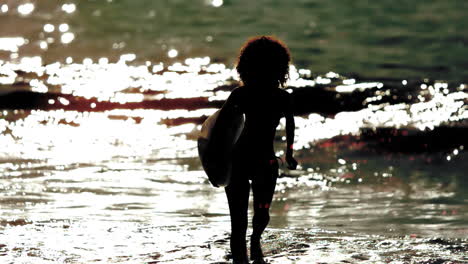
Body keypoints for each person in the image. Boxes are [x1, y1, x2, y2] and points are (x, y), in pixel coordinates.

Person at [219, 36, 298, 264]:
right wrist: (290, 153)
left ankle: (247, 246)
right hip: (259, 161)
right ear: (281, 68)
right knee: (255, 211)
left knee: (247, 213)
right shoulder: (275, 97)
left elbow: (221, 125)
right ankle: (249, 247)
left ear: (245, 66)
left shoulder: (244, 95)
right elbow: (290, 126)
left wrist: (216, 155)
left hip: (243, 160)